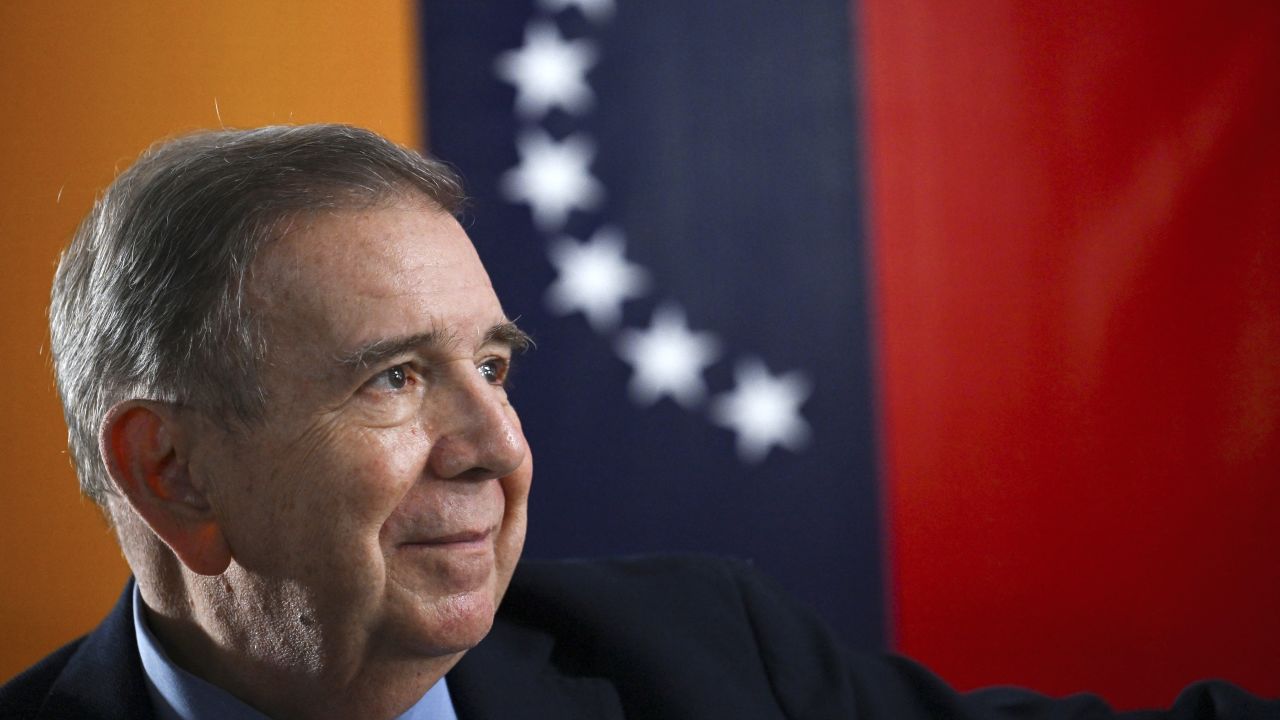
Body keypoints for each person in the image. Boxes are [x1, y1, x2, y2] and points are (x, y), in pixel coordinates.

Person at [0, 124, 1273, 720]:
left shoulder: (702, 658)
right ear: (169, 470)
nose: (493, 448)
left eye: (491, 369)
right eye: (392, 379)